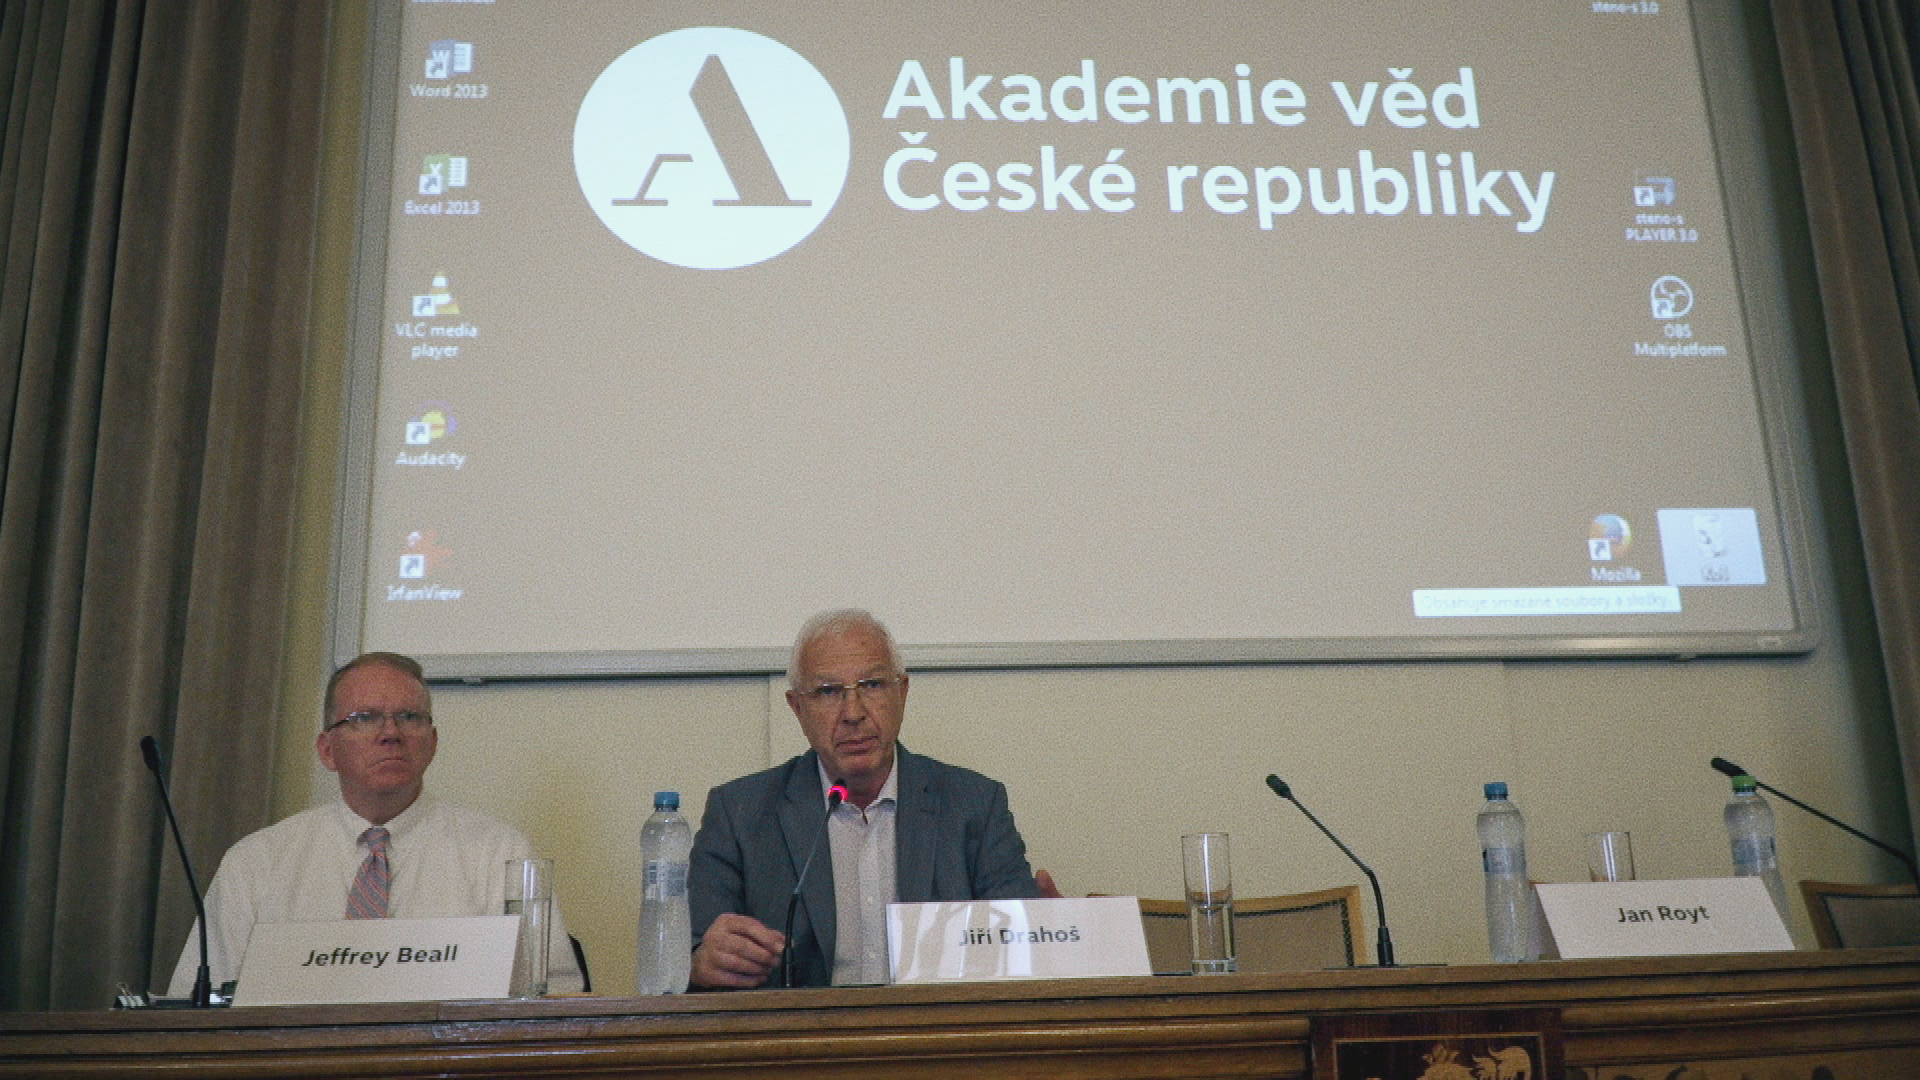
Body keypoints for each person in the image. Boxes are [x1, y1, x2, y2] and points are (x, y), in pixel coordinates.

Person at [167, 652, 584, 996]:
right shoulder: (257, 863)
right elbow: (194, 1007)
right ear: (327, 750)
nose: (391, 734)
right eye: (365, 718)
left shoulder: (499, 854)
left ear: (432, 743)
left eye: (409, 717)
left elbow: (552, 999)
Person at [688, 610, 1058, 989]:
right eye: (828, 691)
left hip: (931, 1025)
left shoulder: (976, 805)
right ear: (797, 708)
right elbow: (687, 957)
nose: (853, 713)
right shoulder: (738, 814)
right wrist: (701, 963)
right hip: (800, 1028)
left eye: (873, 685)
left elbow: (1021, 954)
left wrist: (1054, 933)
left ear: (903, 693)